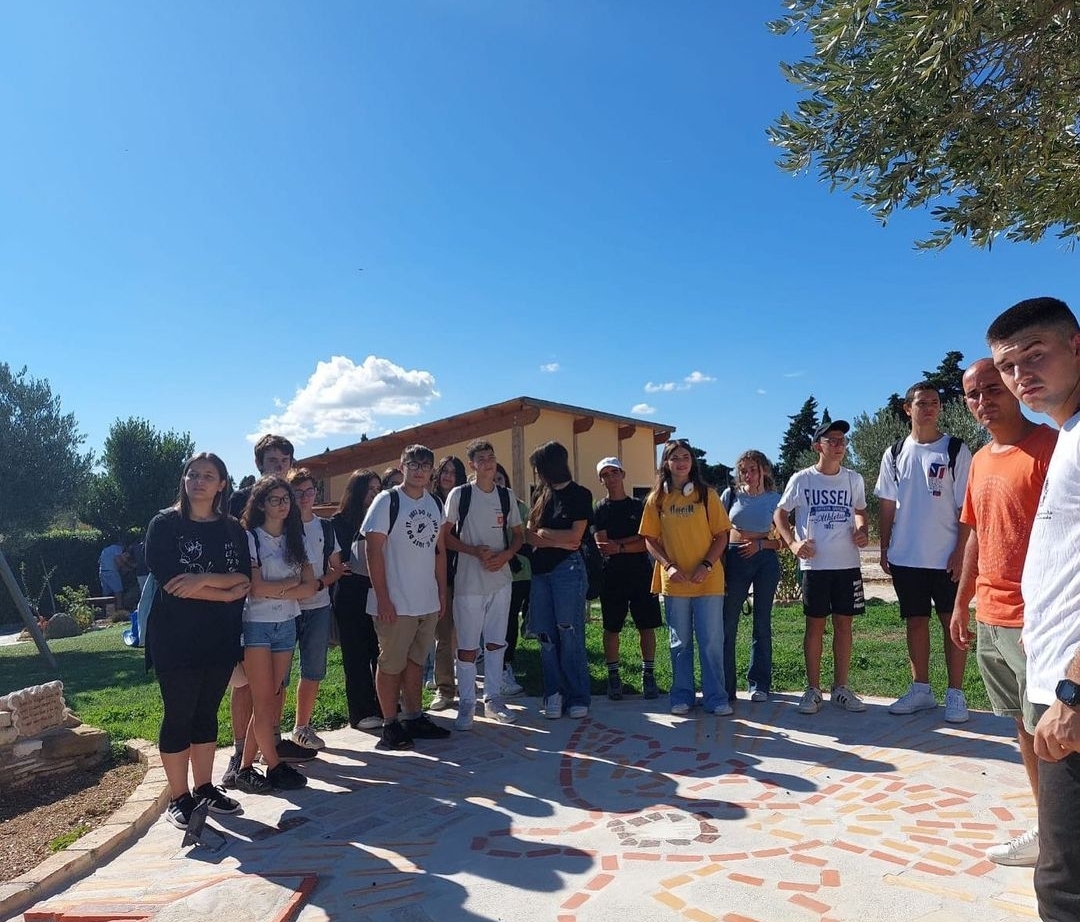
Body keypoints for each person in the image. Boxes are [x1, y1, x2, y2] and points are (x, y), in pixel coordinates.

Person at [986, 296, 1080, 920]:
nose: (1021, 375)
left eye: (1035, 354)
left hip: (1073, 692)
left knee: (1065, 886)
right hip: (1056, 676)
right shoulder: (1068, 434)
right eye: (1008, 365)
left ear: (1076, 346)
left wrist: (1073, 692)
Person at [949, 358, 1056, 867]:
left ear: (1012, 387)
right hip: (991, 616)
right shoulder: (980, 460)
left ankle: (1063, 840)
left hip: (1037, 618)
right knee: (1022, 725)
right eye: (973, 394)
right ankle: (1047, 830)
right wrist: (962, 601)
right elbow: (976, 532)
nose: (982, 401)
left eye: (992, 388)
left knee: (1056, 733)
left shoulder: (1051, 448)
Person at [144, 453, 251, 829]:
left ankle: (204, 788)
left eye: (208, 476)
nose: (199, 481)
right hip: (175, 638)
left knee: (207, 713)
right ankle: (179, 798)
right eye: (193, 474)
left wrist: (204, 580)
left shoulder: (233, 528)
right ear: (184, 480)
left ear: (222, 484)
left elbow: (244, 577)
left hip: (220, 636)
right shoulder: (165, 524)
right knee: (179, 714)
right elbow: (174, 584)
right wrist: (225, 592)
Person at [875, 382, 973, 723]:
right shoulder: (894, 452)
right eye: (922, 403)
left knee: (953, 624)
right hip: (906, 557)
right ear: (908, 409)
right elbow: (887, 505)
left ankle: (955, 694)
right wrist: (885, 547)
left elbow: (966, 508)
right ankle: (921, 691)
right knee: (915, 622)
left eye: (934, 402)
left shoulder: (956, 450)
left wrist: (961, 551)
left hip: (946, 557)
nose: (929, 407)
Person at [774, 420, 869, 716]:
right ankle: (813, 689)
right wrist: (792, 543)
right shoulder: (802, 479)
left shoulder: (853, 479)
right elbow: (780, 514)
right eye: (833, 441)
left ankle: (841, 688)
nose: (840, 446)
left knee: (844, 625)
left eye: (843, 441)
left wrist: (862, 530)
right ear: (818, 446)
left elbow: (860, 511)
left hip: (847, 564)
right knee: (815, 626)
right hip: (815, 566)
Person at [362, 444, 452, 750]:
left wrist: (441, 592)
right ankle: (390, 724)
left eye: (425, 465)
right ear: (402, 467)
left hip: (426, 600)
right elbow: (373, 549)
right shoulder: (387, 501)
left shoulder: (435, 503)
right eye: (413, 464)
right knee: (390, 664)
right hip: (396, 603)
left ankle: (413, 716)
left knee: (416, 662)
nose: (419, 470)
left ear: (431, 471)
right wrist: (383, 598)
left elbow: (439, 551)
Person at [233, 476, 316, 794]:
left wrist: (279, 590)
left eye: (286, 499)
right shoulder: (251, 538)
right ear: (261, 504)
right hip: (257, 624)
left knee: (272, 698)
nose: (282, 505)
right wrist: (291, 587)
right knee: (263, 699)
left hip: (286, 624)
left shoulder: (296, 537)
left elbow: (311, 586)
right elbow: (255, 587)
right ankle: (272, 764)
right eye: (274, 499)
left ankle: (245, 768)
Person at [222, 433, 294, 789]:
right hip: (249, 615)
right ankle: (240, 755)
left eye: (284, 461)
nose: (278, 466)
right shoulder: (240, 501)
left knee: (274, 690)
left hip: (285, 616)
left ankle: (269, 746)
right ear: (259, 464)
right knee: (246, 686)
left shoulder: (291, 506)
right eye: (272, 461)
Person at [640, 439, 732, 717]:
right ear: (666, 463)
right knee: (679, 643)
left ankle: (716, 698)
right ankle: (682, 695)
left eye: (685, 457)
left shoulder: (707, 495)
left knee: (711, 642)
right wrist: (668, 566)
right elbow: (650, 539)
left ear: (692, 462)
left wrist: (706, 564)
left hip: (708, 581)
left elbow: (722, 535)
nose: (681, 462)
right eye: (675, 458)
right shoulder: (657, 499)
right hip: (675, 582)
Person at [440, 441, 524, 730]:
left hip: (501, 581)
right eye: (481, 458)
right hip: (468, 582)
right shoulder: (460, 495)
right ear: (472, 465)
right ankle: (467, 702)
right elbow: (445, 536)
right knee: (466, 646)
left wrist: (506, 555)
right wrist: (473, 551)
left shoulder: (506, 495)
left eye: (491, 457)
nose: (488, 462)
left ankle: (494, 699)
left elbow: (518, 535)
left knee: (496, 643)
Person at [525, 440, 593, 719]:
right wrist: (556, 540)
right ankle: (553, 693)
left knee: (569, 632)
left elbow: (576, 537)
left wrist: (546, 534)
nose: (537, 473)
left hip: (568, 571)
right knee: (545, 635)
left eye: (539, 467)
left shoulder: (580, 494)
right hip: (540, 573)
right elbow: (529, 535)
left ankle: (577, 695)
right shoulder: (540, 494)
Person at [594, 456, 661, 701]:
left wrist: (621, 546)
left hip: (641, 574)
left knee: (646, 626)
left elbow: (648, 542)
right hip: (612, 576)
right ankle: (613, 677)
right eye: (605, 475)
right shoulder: (600, 508)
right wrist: (633, 541)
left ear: (623, 474)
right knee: (611, 627)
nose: (611, 478)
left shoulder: (639, 506)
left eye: (614, 472)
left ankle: (648, 675)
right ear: (601, 480)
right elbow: (603, 545)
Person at [285, 467, 344, 750]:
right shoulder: (281, 526)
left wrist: (318, 585)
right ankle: (269, 735)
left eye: (309, 491)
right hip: (284, 608)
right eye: (298, 492)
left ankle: (302, 727)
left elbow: (337, 568)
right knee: (278, 676)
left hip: (318, 606)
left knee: (313, 670)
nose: (305, 497)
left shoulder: (325, 527)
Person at [720, 450, 783, 703]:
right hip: (734, 559)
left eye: (753, 469)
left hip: (765, 560)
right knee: (728, 623)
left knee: (762, 623)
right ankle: (726, 686)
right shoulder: (730, 495)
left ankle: (759, 684)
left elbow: (783, 541)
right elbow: (719, 532)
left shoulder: (775, 499)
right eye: (743, 471)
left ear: (763, 470)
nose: (748, 475)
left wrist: (760, 545)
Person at [331, 469, 384, 730]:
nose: (374, 494)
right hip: (350, 594)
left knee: (379, 651)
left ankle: (384, 705)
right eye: (370, 489)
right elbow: (342, 559)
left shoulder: (382, 518)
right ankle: (360, 712)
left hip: (376, 591)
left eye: (378, 489)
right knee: (356, 655)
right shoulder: (339, 521)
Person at [429, 456, 468, 711]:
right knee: (443, 635)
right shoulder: (429, 501)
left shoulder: (467, 501)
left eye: (453, 472)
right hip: (436, 576)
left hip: (466, 572)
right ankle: (444, 689)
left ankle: (467, 684)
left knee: (466, 635)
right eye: (444, 471)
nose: (448, 476)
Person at [495, 463, 531, 697]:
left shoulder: (519, 507)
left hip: (518, 572)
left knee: (509, 619)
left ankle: (506, 664)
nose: (496, 483)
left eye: (500, 479)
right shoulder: (475, 505)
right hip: (489, 572)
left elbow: (526, 538)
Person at [98, 538, 125, 611]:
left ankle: (106, 610)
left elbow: (99, 561)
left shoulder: (105, 549)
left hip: (102, 571)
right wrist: (122, 568)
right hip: (111, 571)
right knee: (118, 590)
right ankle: (119, 607)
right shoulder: (117, 548)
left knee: (106, 592)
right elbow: (117, 560)